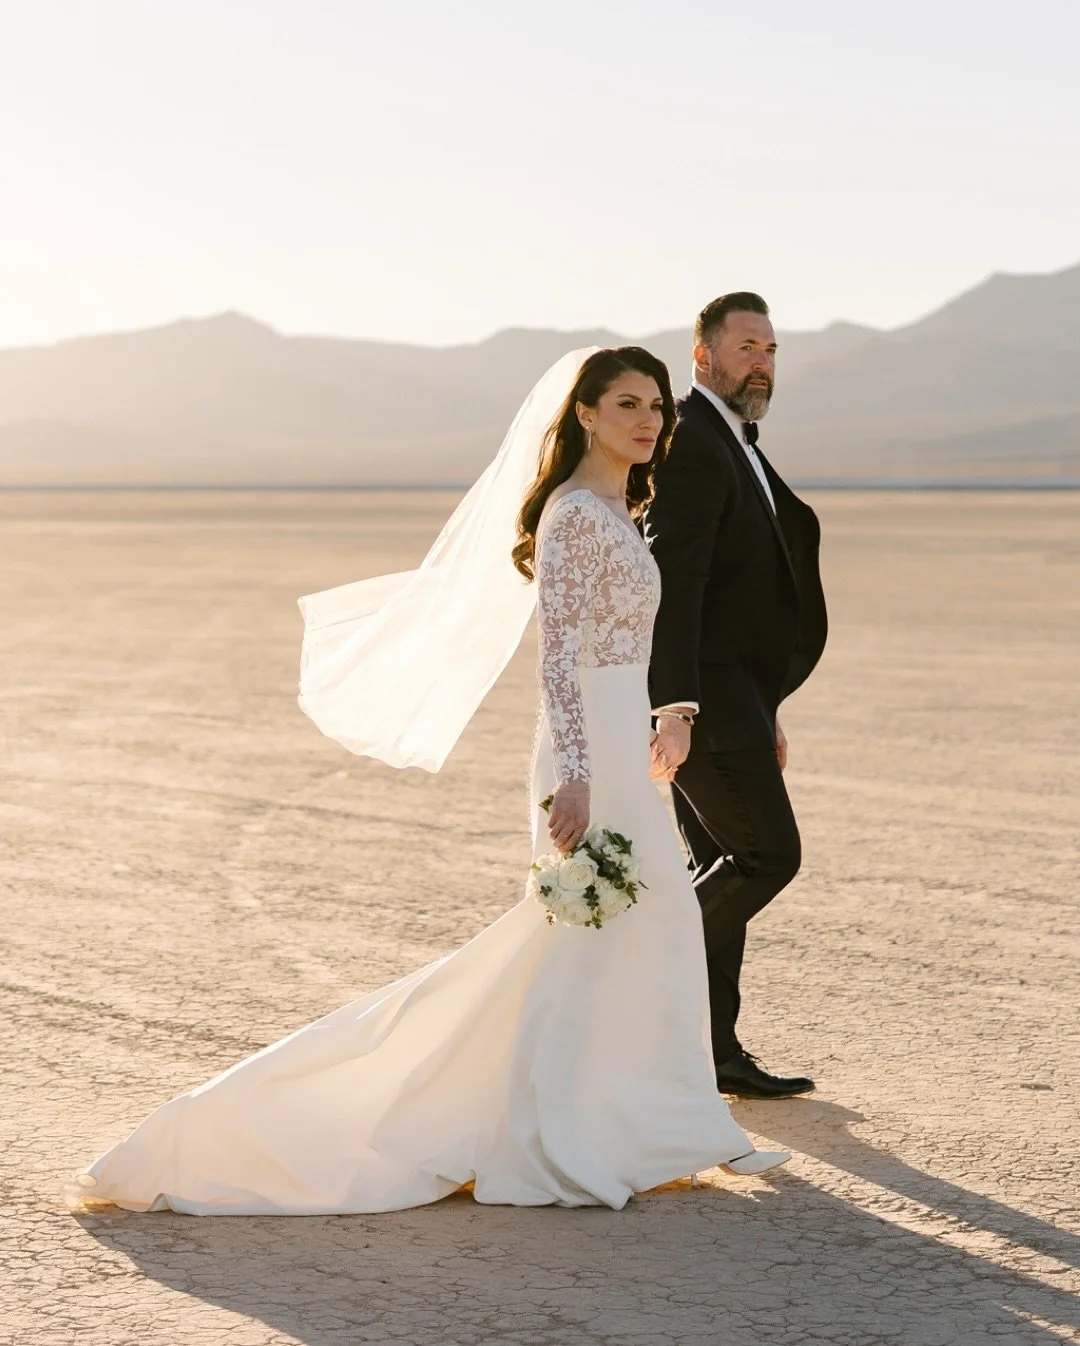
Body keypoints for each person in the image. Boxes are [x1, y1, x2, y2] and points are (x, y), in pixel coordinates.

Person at [67, 346, 787, 1217]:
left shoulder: (619, 509)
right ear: (586, 414)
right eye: (627, 403)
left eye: (658, 407)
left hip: (624, 744)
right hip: (585, 754)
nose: (648, 420)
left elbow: (615, 647)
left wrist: (654, 721)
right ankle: (559, 1133)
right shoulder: (572, 516)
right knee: (588, 933)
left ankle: (653, 1125)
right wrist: (579, 777)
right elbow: (557, 656)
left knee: (645, 926)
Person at [646, 294, 828, 1101]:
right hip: (704, 707)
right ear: (703, 357)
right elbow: (675, 583)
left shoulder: (733, 441)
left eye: (771, 349)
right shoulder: (693, 442)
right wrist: (675, 707)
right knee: (764, 857)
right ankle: (639, 981)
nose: (762, 361)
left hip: (740, 702)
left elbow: (743, 592)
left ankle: (710, 1051)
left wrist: (772, 708)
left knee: (721, 864)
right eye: (747, 346)